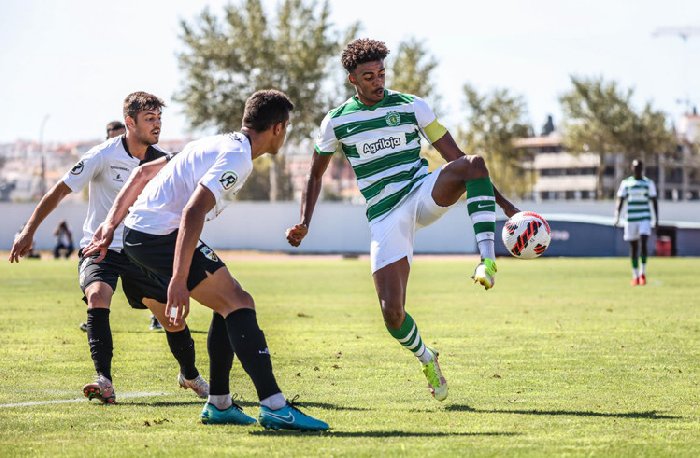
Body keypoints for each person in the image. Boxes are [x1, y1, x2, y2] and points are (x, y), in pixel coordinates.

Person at [285, 38, 519, 402]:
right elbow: (315, 176)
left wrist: (505, 205)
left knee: (473, 163)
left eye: (381, 73)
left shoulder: (413, 106)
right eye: (368, 76)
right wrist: (304, 222)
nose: (378, 82)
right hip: (385, 216)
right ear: (352, 79)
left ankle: (487, 259)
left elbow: (460, 160)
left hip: (421, 193)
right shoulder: (337, 121)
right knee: (392, 314)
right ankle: (428, 358)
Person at [84, 89, 328, 430]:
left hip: (146, 232)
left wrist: (110, 226)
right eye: (286, 128)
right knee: (239, 304)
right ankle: (273, 405)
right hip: (158, 235)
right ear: (277, 128)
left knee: (230, 302)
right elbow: (193, 210)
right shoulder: (237, 157)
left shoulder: (215, 142)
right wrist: (178, 280)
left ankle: (220, 404)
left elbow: (142, 175)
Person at [9, 92, 209, 404]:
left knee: (171, 318)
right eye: (149, 119)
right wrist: (29, 229)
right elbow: (59, 190)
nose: (157, 125)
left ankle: (189, 374)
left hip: (140, 250)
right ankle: (104, 380)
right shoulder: (102, 155)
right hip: (100, 248)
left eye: (159, 119)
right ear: (130, 123)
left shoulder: (163, 161)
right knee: (98, 296)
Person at [614, 159, 659, 286]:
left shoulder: (649, 183)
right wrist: (617, 215)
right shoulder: (626, 183)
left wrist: (656, 219)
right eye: (635, 167)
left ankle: (642, 273)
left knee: (644, 242)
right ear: (632, 168)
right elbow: (620, 200)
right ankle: (635, 276)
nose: (637, 169)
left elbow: (654, 201)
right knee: (633, 247)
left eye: (639, 167)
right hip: (631, 219)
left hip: (644, 217)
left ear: (642, 169)